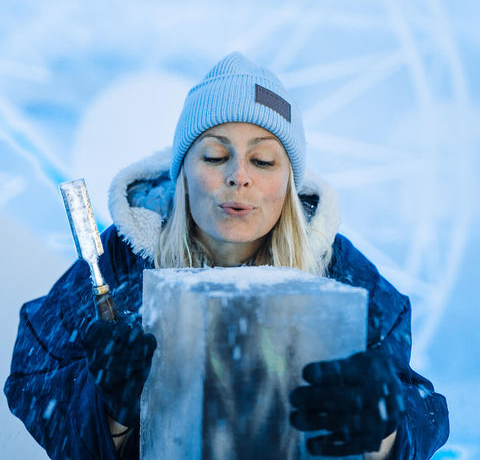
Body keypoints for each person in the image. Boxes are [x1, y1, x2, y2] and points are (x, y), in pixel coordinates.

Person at [4, 52, 449, 460]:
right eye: (216, 155)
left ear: (289, 184)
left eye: (264, 161)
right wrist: (107, 410)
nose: (238, 177)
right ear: (183, 172)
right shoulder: (119, 266)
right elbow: (32, 377)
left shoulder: (342, 276)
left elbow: (425, 409)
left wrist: (386, 432)